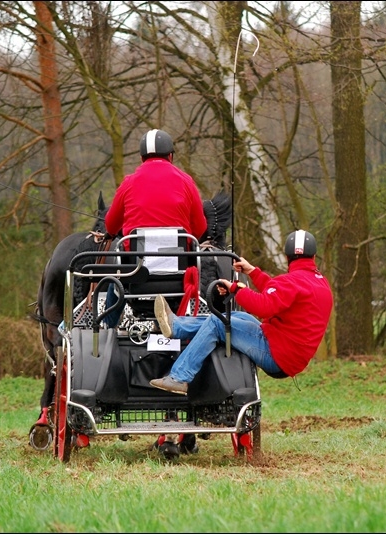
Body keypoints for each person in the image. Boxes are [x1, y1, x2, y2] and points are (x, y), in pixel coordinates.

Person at [149, 229, 334, 394]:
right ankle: (177, 326)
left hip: (276, 355)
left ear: (287, 257)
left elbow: (263, 307)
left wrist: (236, 289)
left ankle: (179, 378)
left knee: (218, 322)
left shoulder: (292, 281)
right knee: (237, 316)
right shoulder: (318, 282)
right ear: (314, 257)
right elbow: (278, 294)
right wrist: (253, 272)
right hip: (288, 355)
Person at [102, 128, 208, 327]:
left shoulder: (128, 183)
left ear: (142, 158)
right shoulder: (186, 181)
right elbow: (200, 229)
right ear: (170, 155)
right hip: (179, 279)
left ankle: (107, 329)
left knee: (114, 282)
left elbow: (110, 225)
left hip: (136, 277)